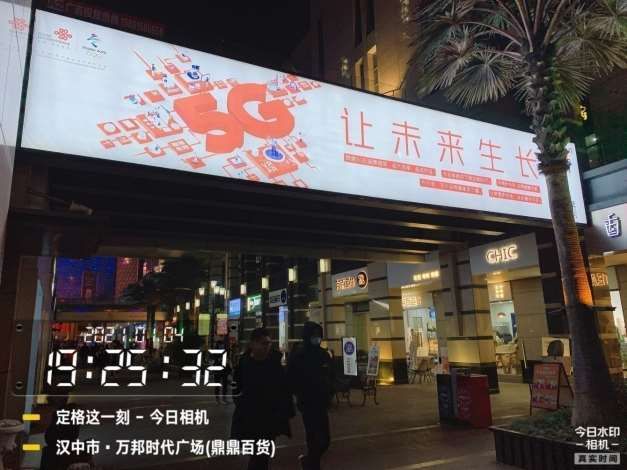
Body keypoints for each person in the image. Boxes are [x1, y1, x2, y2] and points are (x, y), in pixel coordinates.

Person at [231, 328, 293, 470]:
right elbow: (236, 388)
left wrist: (285, 411)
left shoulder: (274, 363)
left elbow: (284, 389)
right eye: (263, 343)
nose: (267, 347)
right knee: (258, 455)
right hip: (250, 417)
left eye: (269, 343)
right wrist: (242, 402)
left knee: (262, 455)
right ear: (253, 343)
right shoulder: (244, 364)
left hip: (269, 418)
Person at [288, 322, 334, 470]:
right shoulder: (299, 356)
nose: (317, 338)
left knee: (325, 440)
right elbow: (291, 377)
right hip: (307, 403)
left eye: (318, 335)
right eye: (314, 335)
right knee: (314, 439)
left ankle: (308, 461)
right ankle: (313, 466)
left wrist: (330, 392)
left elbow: (331, 375)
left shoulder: (323, 354)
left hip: (322, 402)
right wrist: (298, 394)